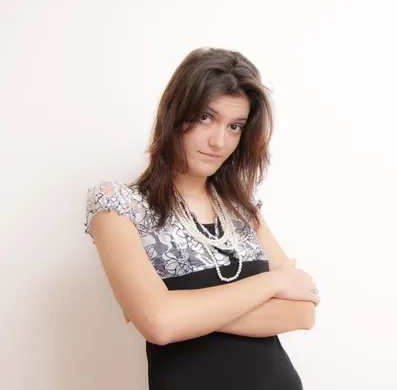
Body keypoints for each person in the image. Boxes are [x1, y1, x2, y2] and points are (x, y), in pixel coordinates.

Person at [83, 47, 320, 390]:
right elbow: (161, 325)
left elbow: (303, 313)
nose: (219, 141)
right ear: (175, 113)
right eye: (207, 118)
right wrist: (272, 284)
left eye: (235, 126)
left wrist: (179, 310)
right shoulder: (119, 206)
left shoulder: (241, 210)